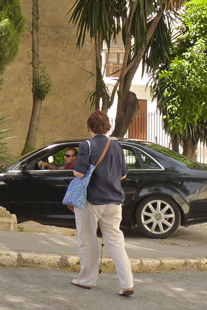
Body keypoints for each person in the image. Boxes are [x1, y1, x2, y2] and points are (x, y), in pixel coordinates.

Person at [70, 110, 134, 297]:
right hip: (114, 201)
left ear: (90, 127)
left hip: (91, 201)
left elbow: (79, 173)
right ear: (107, 127)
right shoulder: (117, 146)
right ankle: (127, 283)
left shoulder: (87, 145)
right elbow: (123, 175)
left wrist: (75, 171)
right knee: (116, 241)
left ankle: (87, 280)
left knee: (87, 240)